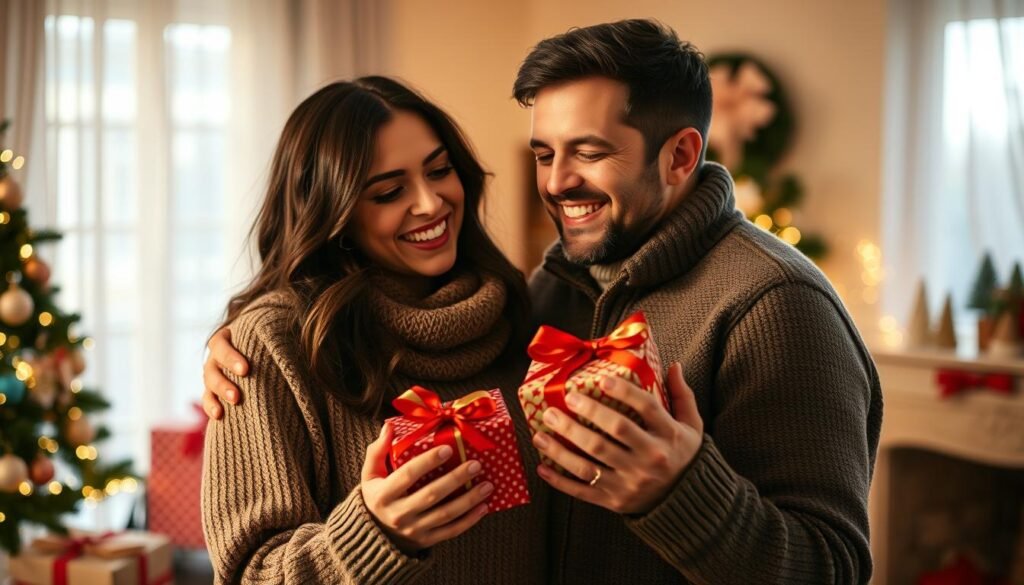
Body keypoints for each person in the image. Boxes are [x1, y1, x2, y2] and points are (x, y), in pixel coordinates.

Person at [204, 20, 882, 584]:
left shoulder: (774, 303)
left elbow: (834, 568)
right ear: (335, 212)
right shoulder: (547, 294)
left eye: (587, 153)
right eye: (543, 153)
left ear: (680, 157)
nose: (556, 184)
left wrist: (679, 493)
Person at [199, 76, 551, 584]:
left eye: (440, 170)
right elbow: (249, 574)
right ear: (333, 214)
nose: (431, 204)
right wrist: (376, 533)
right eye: (389, 192)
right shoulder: (269, 346)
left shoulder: (518, 309)